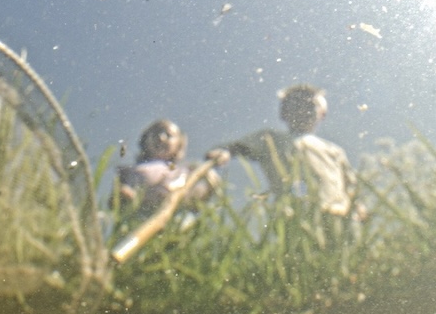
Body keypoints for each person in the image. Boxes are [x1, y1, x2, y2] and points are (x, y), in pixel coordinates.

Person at [207, 84, 366, 221]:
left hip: (338, 212)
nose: (303, 110)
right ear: (283, 113)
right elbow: (240, 147)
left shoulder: (334, 150)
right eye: (296, 105)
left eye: (310, 105)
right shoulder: (270, 138)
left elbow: (350, 183)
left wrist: (358, 205)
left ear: (323, 113)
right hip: (293, 212)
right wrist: (225, 152)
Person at [114, 119, 221, 223]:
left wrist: (210, 170)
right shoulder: (132, 171)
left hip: (179, 218)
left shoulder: (187, 169)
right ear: (145, 140)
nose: (161, 138)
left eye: (169, 135)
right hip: (142, 219)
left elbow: (207, 188)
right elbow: (117, 197)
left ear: (180, 143)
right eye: (156, 134)